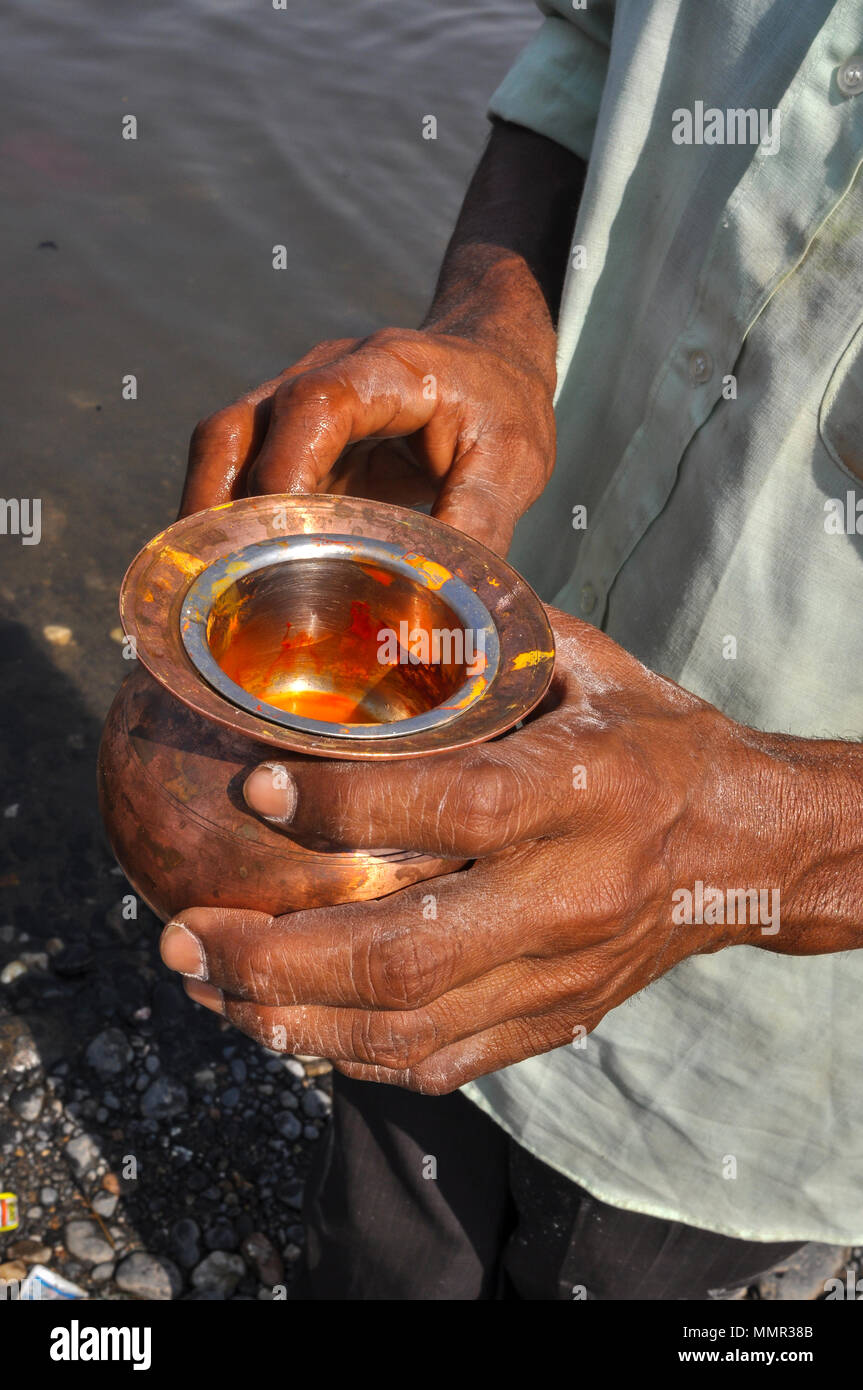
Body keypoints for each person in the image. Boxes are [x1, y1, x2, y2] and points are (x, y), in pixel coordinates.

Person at [157, 0, 863, 1298]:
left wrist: (769, 832)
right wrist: (496, 324)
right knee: (382, 1238)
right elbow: (589, 55)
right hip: (429, 811)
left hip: (757, 1050)